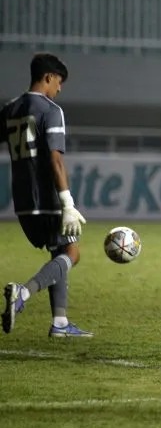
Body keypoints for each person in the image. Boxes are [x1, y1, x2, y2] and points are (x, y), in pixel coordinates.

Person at [0, 53, 92, 338]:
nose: (59, 88)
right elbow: (55, 160)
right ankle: (23, 293)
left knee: (58, 251)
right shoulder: (51, 110)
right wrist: (67, 203)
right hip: (48, 198)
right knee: (72, 253)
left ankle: (60, 323)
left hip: (23, 201)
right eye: (59, 82)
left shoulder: (11, 109)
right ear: (48, 77)